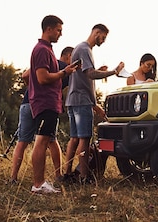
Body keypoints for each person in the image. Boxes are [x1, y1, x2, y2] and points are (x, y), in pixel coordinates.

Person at [63, 23, 124, 184]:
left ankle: (67, 173)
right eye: (103, 37)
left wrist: (100, 70)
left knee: (74, 138)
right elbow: (91, 74)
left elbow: (85, 75)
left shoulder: (79, 48)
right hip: (82, 100)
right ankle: (84, 177)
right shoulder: (85, 49)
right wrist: (113, 71)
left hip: (73, 99)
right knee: (84, 138)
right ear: (96, 33)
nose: (103, 41)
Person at [28, 15, 79, 194]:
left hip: (50, 102)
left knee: (45, 140)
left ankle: (40, 183)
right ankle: (38, 184)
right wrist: (63, 72)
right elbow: (42, 77)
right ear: (48, 29)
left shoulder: (46, 49)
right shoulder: (41, 50)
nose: (61, 34)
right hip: (44, 102)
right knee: (41, 141)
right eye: (59, 30)